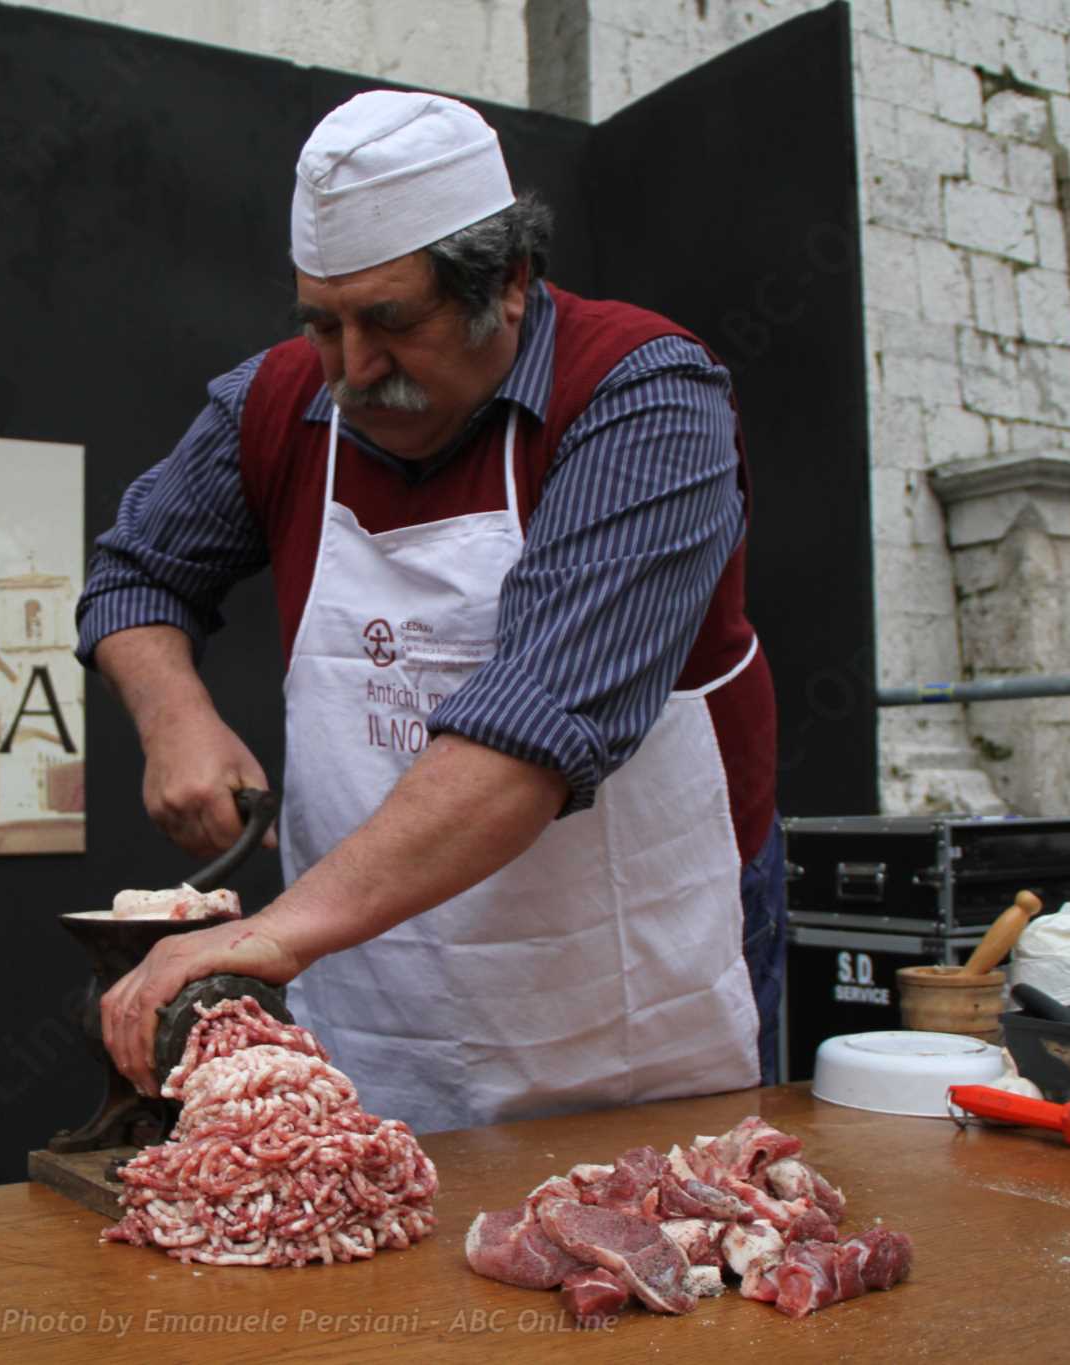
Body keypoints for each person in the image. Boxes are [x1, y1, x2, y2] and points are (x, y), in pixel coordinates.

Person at [78, 90, 785, 1135]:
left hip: (632, 973)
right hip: (369, 969)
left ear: (506, 283)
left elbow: (534, 725)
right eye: (323, 324)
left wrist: (271, 933)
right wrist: (174, 715)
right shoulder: (278, 403)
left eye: (392, 323)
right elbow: (134, 575)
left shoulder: (640, 399)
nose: (352, 373)